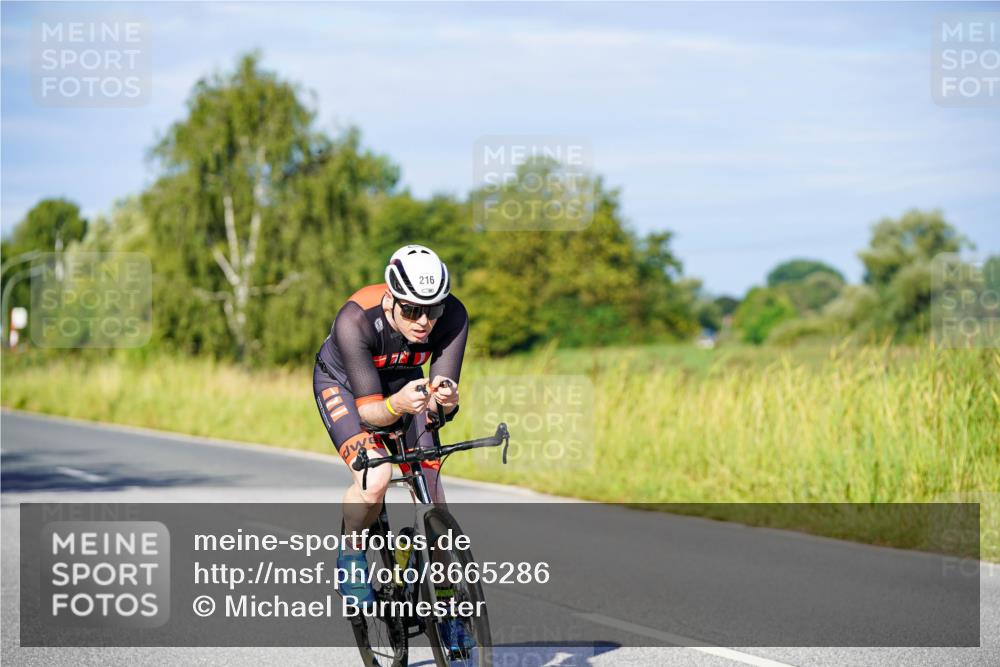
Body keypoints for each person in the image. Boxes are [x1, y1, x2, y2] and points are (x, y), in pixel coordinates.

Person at [312, 244, 473, 651]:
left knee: (434, 498)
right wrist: (398, 405)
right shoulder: (355, 320)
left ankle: (450, 611)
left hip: (404, 382)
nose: (423, 321)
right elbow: (370, 414)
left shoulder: (452, 316)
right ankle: (351, 554)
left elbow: (438, 403)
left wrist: (444, 402)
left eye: (431, 310)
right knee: (377, 475)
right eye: (412, 311)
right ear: (391, 298)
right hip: (348, 389)